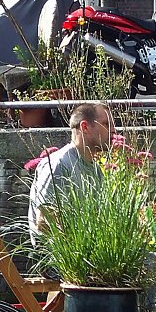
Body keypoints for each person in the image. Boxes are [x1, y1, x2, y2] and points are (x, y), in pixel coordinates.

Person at [28, 102, 115, 240]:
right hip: (56, 258)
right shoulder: (58, 164)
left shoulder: (96, 170)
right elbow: (44, 222)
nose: (114, 130)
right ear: (85, 127)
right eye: (106, 124)